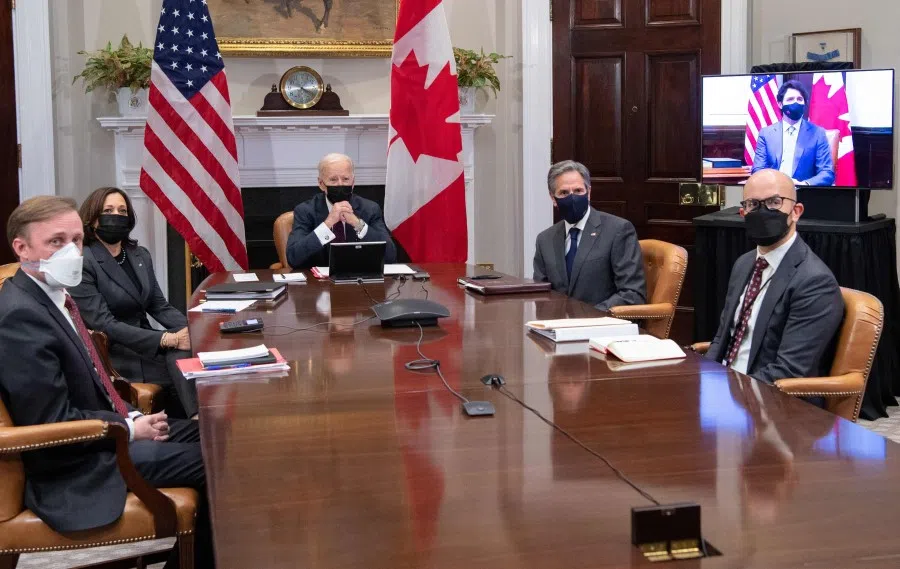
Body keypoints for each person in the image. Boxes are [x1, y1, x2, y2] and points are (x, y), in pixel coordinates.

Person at [0, 196, 212, 568]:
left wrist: (132, 416)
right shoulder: (21, 315)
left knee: (219, 434)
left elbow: (96, 382)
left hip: (106, 434)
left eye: (76, 241)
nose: (71, 252)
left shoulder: (53, 295)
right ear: (22, 248)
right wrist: (128, 428)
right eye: (56, 242)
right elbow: (51, 420)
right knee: (218, 463)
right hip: (77, 462)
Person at [706, 169, 843, 393]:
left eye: (774, 202)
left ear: (796, 212)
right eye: (753, 204)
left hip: (770, 399)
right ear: (743, 212)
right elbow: (722, 337)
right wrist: (703, 377)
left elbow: (789, 370)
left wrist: (730, 393)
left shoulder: (814, 281)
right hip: (725, 385)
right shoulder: (744, 264)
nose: (763, 211)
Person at [70, 187, 197, 419]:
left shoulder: (139, 254)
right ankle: (195, 424)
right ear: (92, 218)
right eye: (108, 211)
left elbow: (159, 306)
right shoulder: (83, 261)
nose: (116, 216)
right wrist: (168, 339)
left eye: (122, 211)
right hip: (116, 354)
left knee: (190, 355)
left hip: (147, 343)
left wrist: (194, 330)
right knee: (186, 368)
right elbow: (104, 324)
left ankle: (195, 424)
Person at [533, 160, 646, 311]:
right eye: (564, 193)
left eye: (578, 191)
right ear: (553, 198)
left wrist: (590, 316)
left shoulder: (618, 230)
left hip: (602, 321)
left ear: (588, 193)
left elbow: (632, 294)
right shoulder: (545, 240)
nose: (572, 198)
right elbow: (541, 294)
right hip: (558, 323)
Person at [286, 153, 397, 269]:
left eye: (345, 179)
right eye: (333, 180)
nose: (340, 184)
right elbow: (293, 258)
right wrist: (327, 224)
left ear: (353, 182)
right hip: (318, 279)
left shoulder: (370, 209)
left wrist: (357, 223)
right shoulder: (305, 211)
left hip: (359, 277)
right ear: (321, 184)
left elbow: (390, 256)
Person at [751, 79, 835, 186]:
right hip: (773, 189)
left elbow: (827, 173)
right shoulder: (766, 134)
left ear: (804, 103)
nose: (796, 103)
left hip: (803, 190)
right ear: (780, 104)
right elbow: (758, 170)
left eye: (799, 99)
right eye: (790, 99)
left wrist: (805, 184)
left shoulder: (818, 133)